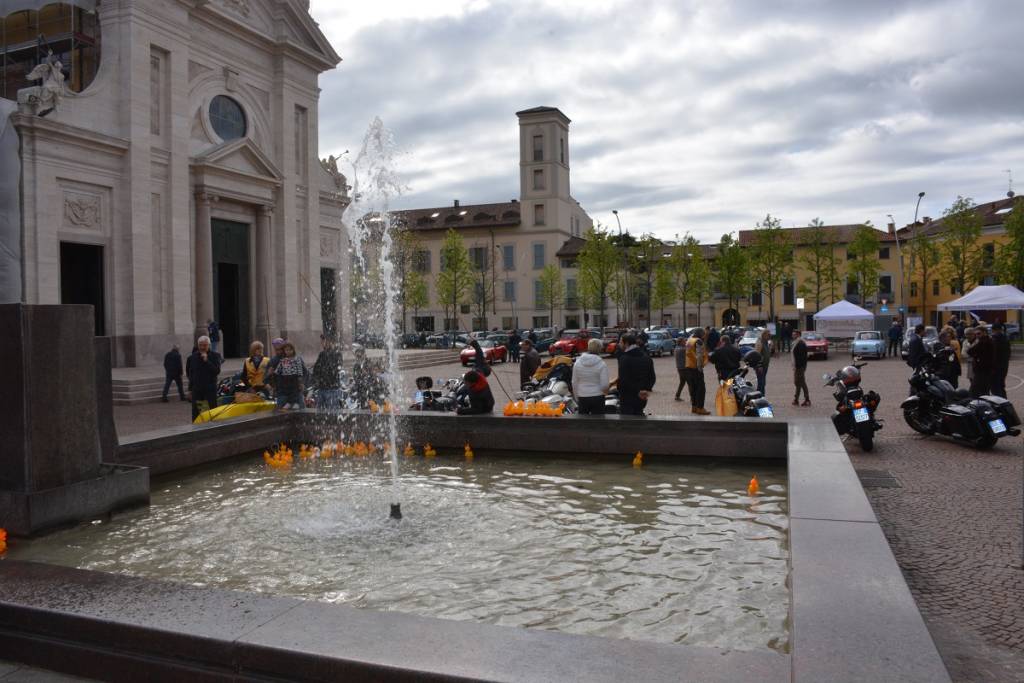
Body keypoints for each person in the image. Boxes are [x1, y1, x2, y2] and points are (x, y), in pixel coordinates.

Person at [616, 333, 656, 416]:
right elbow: (652, 377)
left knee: (627, 424)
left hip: (627, 397)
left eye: (620, 342)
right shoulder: (647, 357)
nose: (619, 344)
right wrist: (645, 390)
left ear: (626, 343)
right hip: (642, 397)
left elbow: (623, 380)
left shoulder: (624, 358)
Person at [187, 335, 222, 420]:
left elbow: (216, 371)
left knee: (212, 413)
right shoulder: (192, 358)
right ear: (198, 345)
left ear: (209, 345)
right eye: (200, 345)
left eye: (205, 345)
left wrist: (207, 361)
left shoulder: (215, 356)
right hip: (197, 390)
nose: (202, 347)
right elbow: (190, 374)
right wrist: (190, 390)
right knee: (196, 413)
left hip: (210, 390)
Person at [572, 338, 609, 415]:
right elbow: (605, 384)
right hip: (597, 396)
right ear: (599, 349)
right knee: (598, 422)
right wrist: (604, 392)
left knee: (583, 423)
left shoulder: (577, 363)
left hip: (582, 396)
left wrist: (576, 396)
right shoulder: (602, 364)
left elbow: (574, 382)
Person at [311, 335, 344, 409]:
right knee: (320, 413)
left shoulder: (337, 353)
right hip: (322, 388)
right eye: (322, 342)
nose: (323, 343)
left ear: (331, 342)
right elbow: (316, 369)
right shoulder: (322, 354)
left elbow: (337, 368)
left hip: (332, 388)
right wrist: (316, 379)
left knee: (332, 413)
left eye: (325, 341)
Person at [273, 341, 308, 410]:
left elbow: (300, 369)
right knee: (287, 392)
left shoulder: (297, 359)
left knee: (295, 391)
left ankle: (294, 403)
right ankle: (289, 403)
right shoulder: (283, 360)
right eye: (286, 350)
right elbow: (278, 371)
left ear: (293, 350)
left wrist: (300, 380)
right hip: (285, 380)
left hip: (294, 378)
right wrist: (274, 374)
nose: (288, 352)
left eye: (290, 350)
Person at [684, 328, 710, 415]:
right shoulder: (698, 341)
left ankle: (694, 406)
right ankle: (700, 408)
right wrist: (700, 367)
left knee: (693, 388)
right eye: (703, 334)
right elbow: (699, 356)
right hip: (696, 368)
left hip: (688, 367)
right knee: (701, 389)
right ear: (700, 334)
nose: (704, 336)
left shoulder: (689, 340)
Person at [967, 325, 994, 397]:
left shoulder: (985, 341)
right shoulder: (985, 341)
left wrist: (976, 356)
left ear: (985, 333)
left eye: (979, 334)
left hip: (983, 371)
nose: (977, 336)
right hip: (983, 370)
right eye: (976, 334)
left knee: (974, 391)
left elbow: (970, 351)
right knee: (983, 391)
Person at [991, 322, 1011, 398]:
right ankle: (1005, 402)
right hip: (1004, 365)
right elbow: (1009, 353)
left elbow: (993, 353)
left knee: (995, 387)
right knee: (1001, 385)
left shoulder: (994, 339)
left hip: (996, 366)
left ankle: (999, 404)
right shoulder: (1006, 338)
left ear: (993, 330)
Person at [792, 330, 810, 406]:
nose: (793, 335)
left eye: (794, 334)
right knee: (798, 383)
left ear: (798, 335)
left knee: (801, 382)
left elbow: (802, 356)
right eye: (793, 334)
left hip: (799, 366)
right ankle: (796, 399)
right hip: (797, 366)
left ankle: (807, 399)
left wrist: (798, 366)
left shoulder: (800, 343)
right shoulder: (796, 342)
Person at [754, 329, 772, 395]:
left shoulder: (766, 342)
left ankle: (762, 396)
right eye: (768, 335)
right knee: (761, 382)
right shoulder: (760, 342)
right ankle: (759, 396)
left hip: (765, 365)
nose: (770, 336)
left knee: (763, 382)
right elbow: (757, 355)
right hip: (760, 366)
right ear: (764, 335)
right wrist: (759, 365)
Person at [673, 336, 688, 401]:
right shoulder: (682, 349)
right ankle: (693, 398)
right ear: (681, 342)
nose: (685, 342)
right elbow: (689, 348)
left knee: (682, 382)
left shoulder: (677, 348)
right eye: (684, 341)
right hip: (684, 368)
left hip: (680, 368)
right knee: (690, 382)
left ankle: (677, 395)